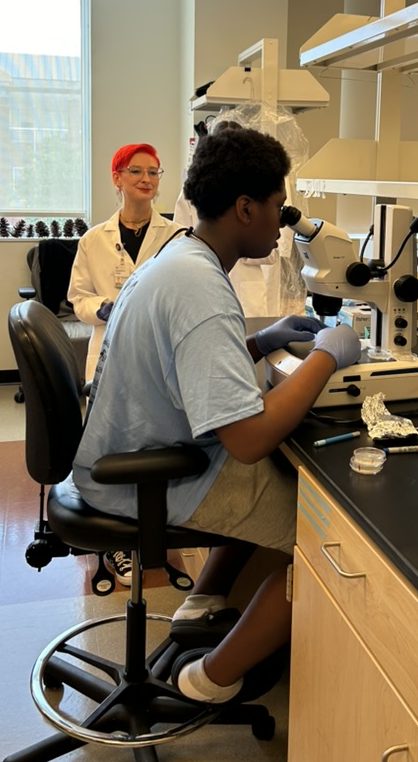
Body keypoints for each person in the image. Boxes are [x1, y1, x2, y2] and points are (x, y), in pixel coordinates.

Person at [73, 126, 360, 703]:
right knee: (326, 539)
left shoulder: (180, 255)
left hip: (124, 456)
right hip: (145, 478)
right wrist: (327, 356)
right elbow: (248, 438)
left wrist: (258, 345)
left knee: (281, 482)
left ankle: (202, 601)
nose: (282, 221)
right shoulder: (201, 288)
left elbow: (184, 365)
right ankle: (210, 679)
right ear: (246, 207)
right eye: (278, 206)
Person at [68, 142, 180, 584]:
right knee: (112, 448)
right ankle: (116, 542)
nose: (147, 180)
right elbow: (77, 299)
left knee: (154, 444)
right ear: (117, 178)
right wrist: (106, 308)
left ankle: (156, 530)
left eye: (154, 172)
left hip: (159, 354)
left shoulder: (175, 237)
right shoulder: (93, 240)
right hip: (108, 354)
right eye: (137, 171)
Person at [174, 121, 281, 317]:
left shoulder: (261, 190)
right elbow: (183, 236)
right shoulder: (194, 193)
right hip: (208, 280)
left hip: (248, 288)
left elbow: (275, 250)